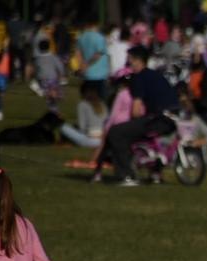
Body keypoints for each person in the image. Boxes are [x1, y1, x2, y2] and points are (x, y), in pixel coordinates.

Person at [94, 46, 179, 186]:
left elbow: (136, 110)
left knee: (117, 132)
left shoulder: (138, 77)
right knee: (135, 133)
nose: (129, 63)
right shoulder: (157, 75)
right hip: (173, 119)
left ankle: (126, 175)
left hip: (157, 120)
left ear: (137, 60)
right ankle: (155, 174)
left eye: (130, 60)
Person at [60, 83, 109, 149]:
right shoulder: (102, 104)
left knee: (64, 127)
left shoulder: (82, 104)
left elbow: (82, 127)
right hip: (104, 139)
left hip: (91, 140)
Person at [77, 18, 110, 100]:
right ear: (96, 25)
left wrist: (82, 64)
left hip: (87, 74)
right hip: (100, 74)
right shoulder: (99, 38)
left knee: (89, 99)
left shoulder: (81, 37)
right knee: (101, 101)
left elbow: (78, 52)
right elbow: (98, 55)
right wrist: (87, 64)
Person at [31, 38, 64, 112]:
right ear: (49, 47)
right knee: (55, 95)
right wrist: (62, 74)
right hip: (52, 78)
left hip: (42, 79)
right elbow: (60, 67)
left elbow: (35, 70)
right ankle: (53, 109)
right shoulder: (53, 57)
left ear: (39, 48)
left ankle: (43, 92)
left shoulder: (37, 59)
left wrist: (36, 78)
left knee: (51, 97)